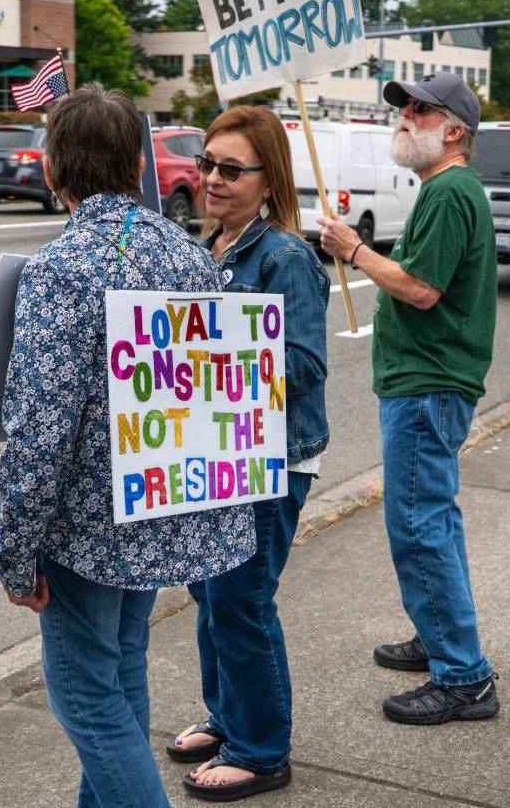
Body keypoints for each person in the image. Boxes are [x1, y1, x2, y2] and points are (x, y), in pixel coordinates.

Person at [0, 83, 257, 808]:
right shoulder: (190, 256)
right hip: (159, 505)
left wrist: (14, 551)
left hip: (85, 531)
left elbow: (41, 430)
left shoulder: (60, 269)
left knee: (87, 701)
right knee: (121, 674)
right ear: (137, 163)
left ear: (53, 170)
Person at [319, 72, 499, 725]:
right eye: (404, 108)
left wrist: (354, 250)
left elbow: (421, 288)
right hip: (425, 381)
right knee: (430, 523)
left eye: (420, 109)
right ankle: (440, 636)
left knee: (420, 525)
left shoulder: (450, 191)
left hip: (428, 383)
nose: (405, 116)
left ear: (453, 130)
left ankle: (463, 677)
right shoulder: (444, 188)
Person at [170, 105, 330, 800]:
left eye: (231, 169)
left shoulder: (284, 256)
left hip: (270, 460)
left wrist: (211, 364)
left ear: (269, 180)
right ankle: (229, 716)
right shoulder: (212, 247)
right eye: (207, 163)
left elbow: (306, 365)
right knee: (209, 594)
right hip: (216, 457)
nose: (212, 178)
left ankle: (262, 750)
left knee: (241, 601)